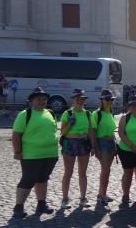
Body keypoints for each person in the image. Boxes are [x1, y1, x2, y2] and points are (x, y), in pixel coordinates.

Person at [11, 87, 58, 218]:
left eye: (44, 99)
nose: (42, 101)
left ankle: (41, 204)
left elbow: (53, 131)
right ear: (32, 101)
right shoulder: (25, 114)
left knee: (43, 178)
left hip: (50, 154)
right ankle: (18, 207)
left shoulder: (50, 113)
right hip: (31, 154)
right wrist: (17, 151)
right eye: (39, 99)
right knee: (28, 180)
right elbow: (16, 134)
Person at [60, 89, 96, 208]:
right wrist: (70, 124)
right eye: (78, 99)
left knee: (83, 173)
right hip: (70, 142)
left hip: (84, 143)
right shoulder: (67, 113)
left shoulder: (88, 114)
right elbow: (62, 132)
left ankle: (83, 198)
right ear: (73, 100)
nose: (80, 101)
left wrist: (93, 146)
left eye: (82, 99)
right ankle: (65, 199)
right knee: (68, 172)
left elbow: (90, 131)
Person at [116, 97, 136, 207]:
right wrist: (131, 146)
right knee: (128, 172)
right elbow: (121, 133)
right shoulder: (125, 118)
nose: (135, 107)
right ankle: (125, 195)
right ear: (129, 107)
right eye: (133, 105)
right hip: (126, 149)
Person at [92, 90, 118, 208]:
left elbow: (112, 131)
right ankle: (102, 195)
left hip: (111, 142)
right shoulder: (96, 114)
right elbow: (92, 131)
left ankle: (102, 194)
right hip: (102, 143)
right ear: (101, 100)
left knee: (107, 170)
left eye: (111, 99)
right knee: (105, 170)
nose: (109, 101)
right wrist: (95, 148)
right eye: (107, 99)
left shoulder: (110, 113)